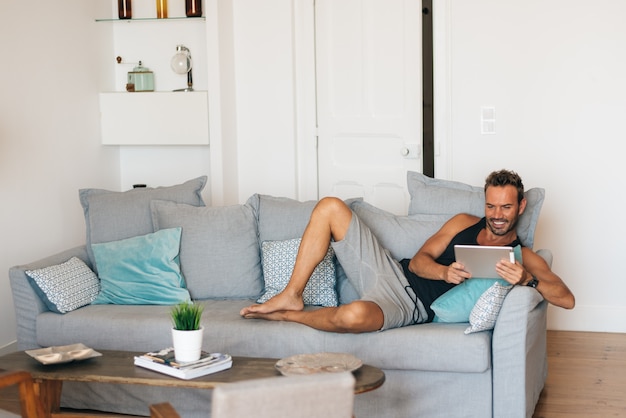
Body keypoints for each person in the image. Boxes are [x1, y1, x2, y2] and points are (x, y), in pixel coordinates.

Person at [241, 169, 575, 333]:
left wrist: (527, 279)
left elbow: (566, 298)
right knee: (329, 206)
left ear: (521, 206)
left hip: (409, 306)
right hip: (389, 271)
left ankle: (289, 315)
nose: (497, 215)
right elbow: (417, 262)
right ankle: (291, 294)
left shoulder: (522, 255)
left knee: (352, 316)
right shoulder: (462, 222)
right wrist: (445, 272)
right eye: (491, 206)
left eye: (505, 207)